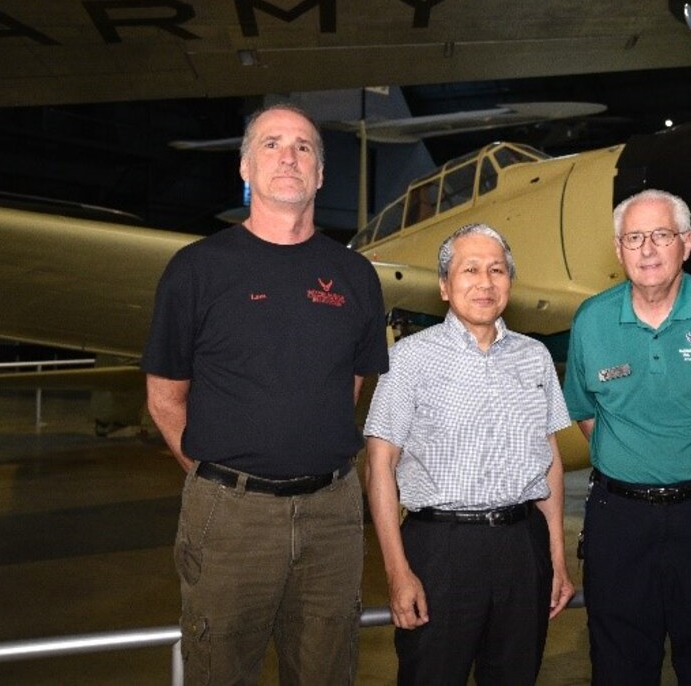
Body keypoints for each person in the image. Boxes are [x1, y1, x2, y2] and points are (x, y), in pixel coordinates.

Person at [142, 103, 389, 685]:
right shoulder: (197, 269)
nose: (289, 156)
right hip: (230, 518)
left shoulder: (354, 276)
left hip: (332, 516)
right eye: (272, 144)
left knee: (327, 673)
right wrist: (214, 479)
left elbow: (348, 385)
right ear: (245, 168)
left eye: (304, 147)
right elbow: (163, 396)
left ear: (321, 175)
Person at [562, 189, 691, 685]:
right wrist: (637, 461)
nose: (648, 250)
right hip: (621, 525)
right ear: (618, 250)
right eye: (634, 238)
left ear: (687, 243)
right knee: (619, 666)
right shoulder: (592, 320)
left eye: (662, 235)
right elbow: (586, 412)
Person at [364, 223, 575, 685]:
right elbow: (380, 464)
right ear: (444, 285)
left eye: (497, 270)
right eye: (470, 269)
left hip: (523, 547)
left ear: (510, 283)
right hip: (441, 550)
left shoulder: (534, 356)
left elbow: (550, 460)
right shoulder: (409, 359)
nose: (485, 282)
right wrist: (398, 572)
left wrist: (556, 559)